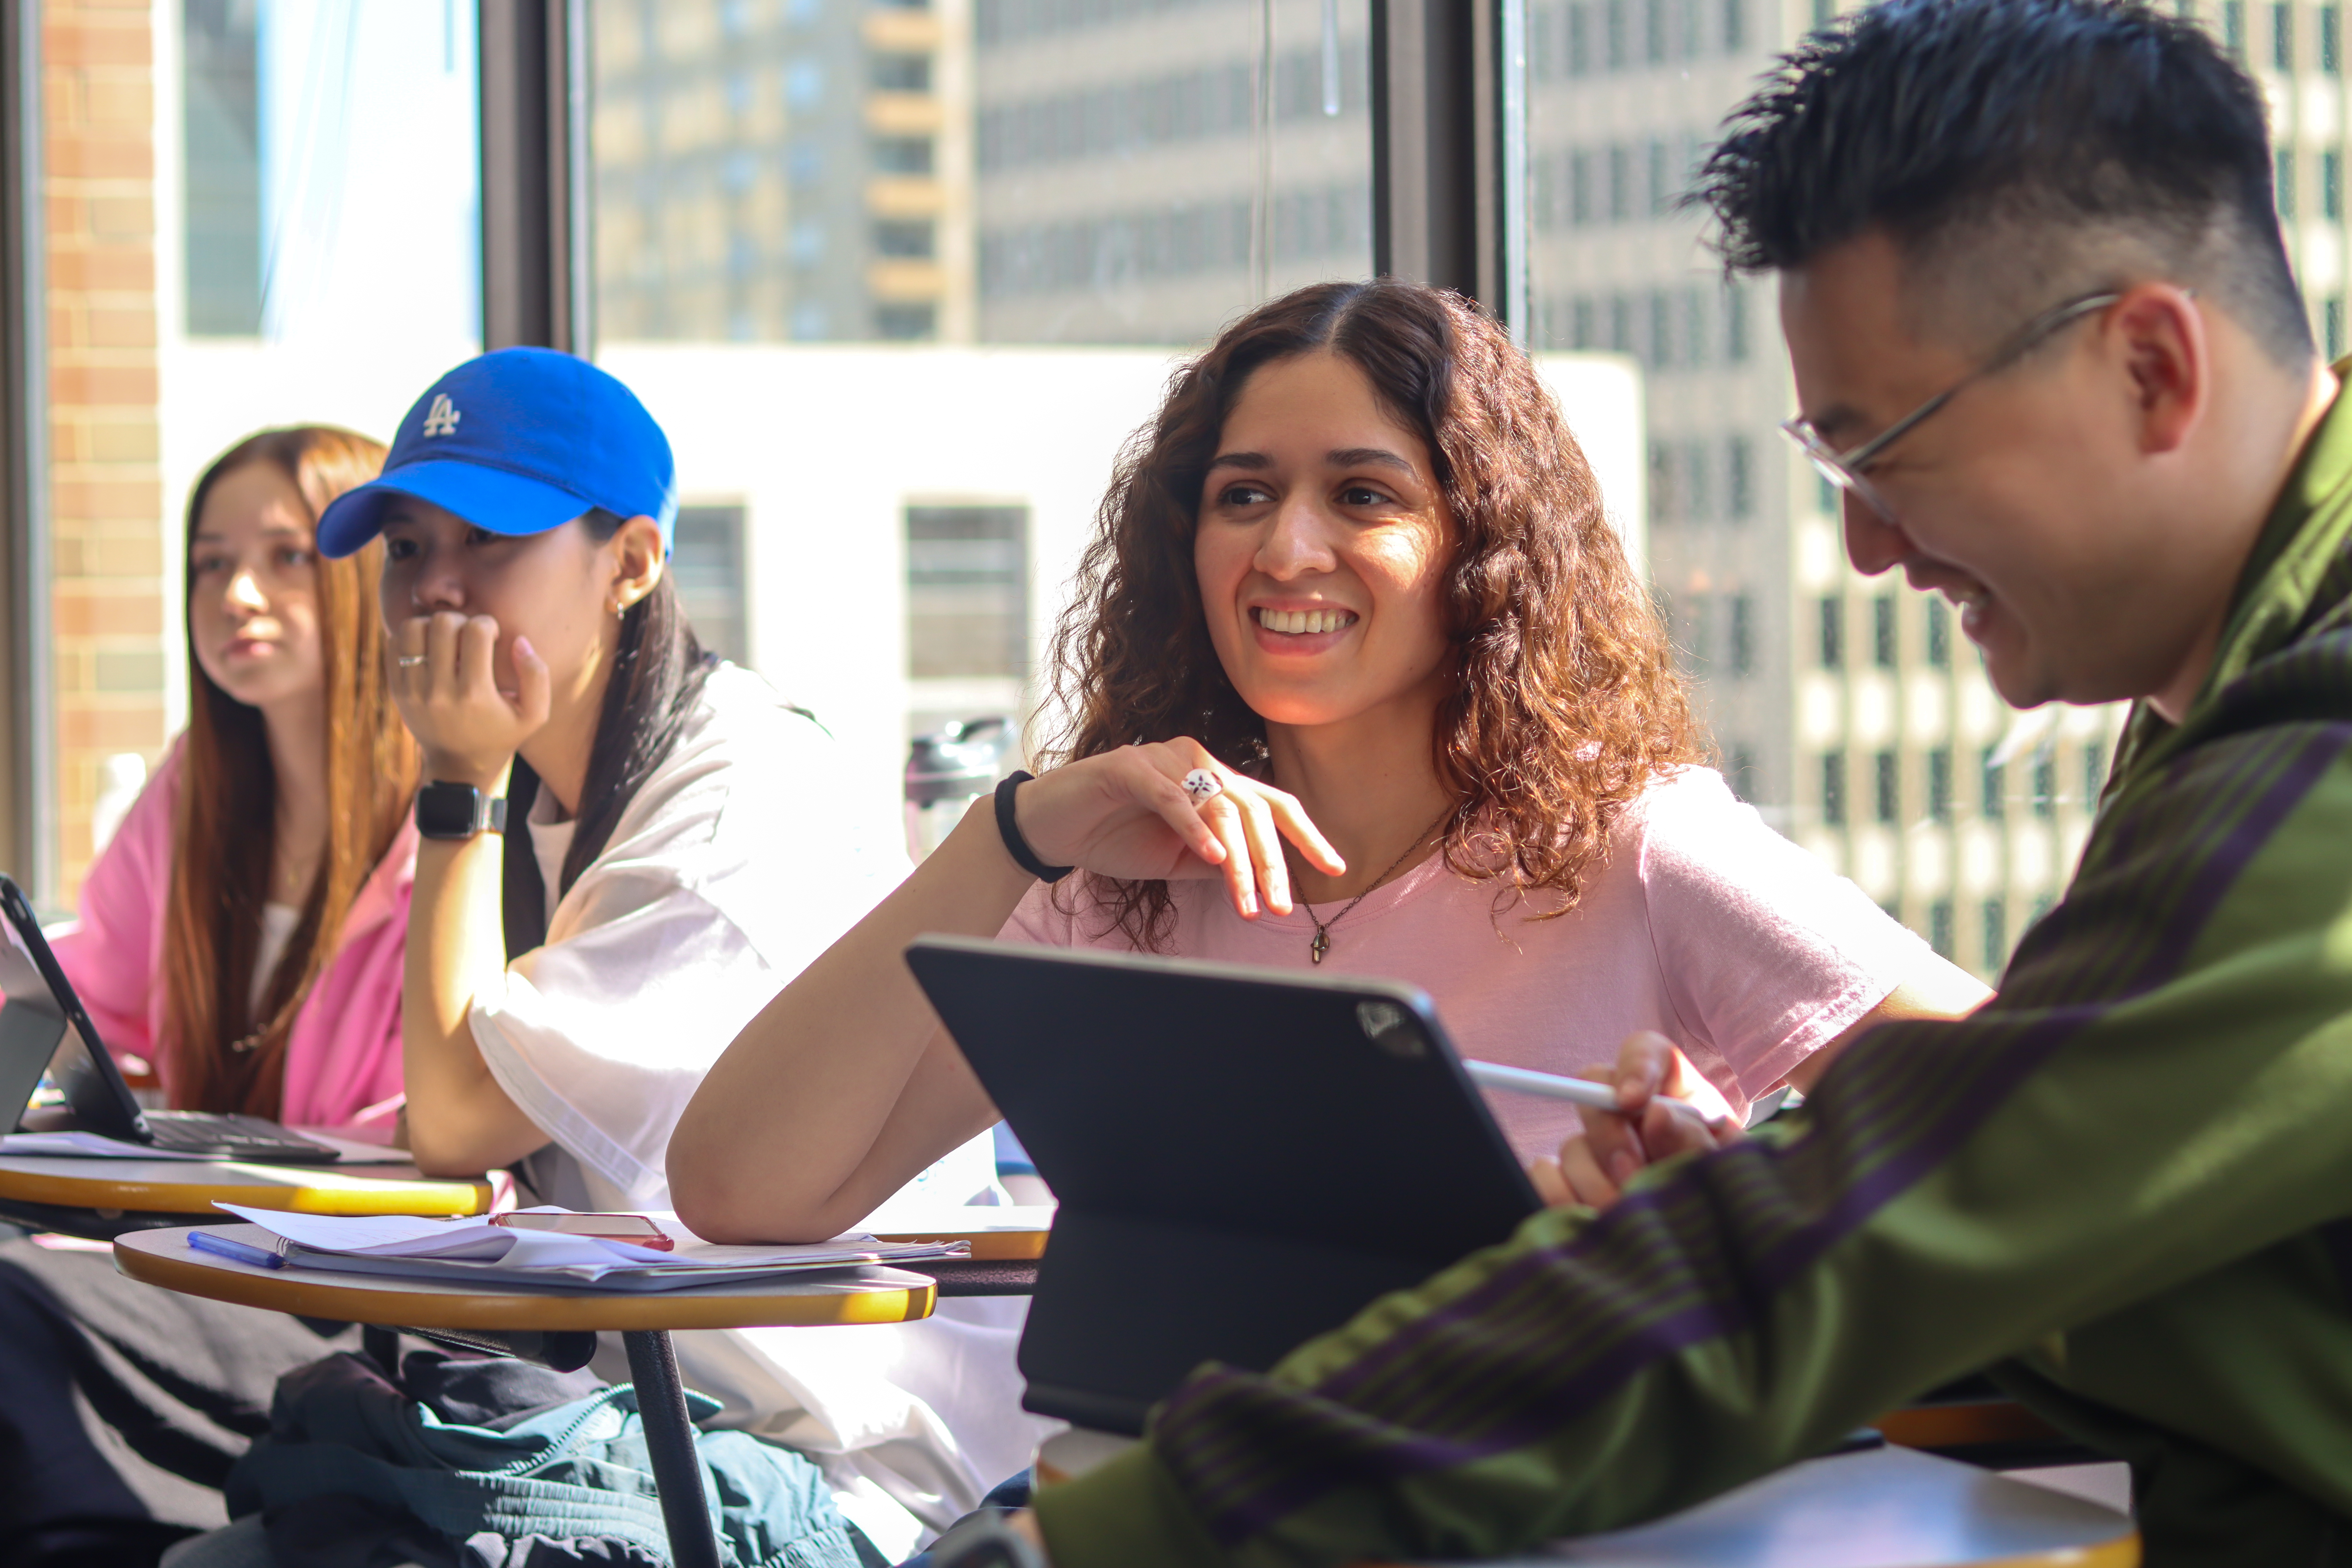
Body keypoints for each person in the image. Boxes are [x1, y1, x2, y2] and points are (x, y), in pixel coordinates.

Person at [907, 2, 2352, 1564]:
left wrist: (1107, 1544)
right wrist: (1751, 1206)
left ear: (2152, 366)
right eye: (1832, 462)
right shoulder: (2225, 704)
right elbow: (2128, 1249)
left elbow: (1929, 1207)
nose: (1870, 545)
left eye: (1896, 448)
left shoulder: (2312, 764)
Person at [667, 275, 1983, 1248]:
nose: (1287, 548)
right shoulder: (1123, 882)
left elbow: (2016, 1112)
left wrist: (1732, 1208)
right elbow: (741, 1192)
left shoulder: (1635, 843)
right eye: (1244, 493)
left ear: (1483, 547)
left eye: (1364, 495)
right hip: (1164, 1497)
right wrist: (1007, 833)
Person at [305, 346, 1044, 1559]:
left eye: (489, 539)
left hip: (831, 1470)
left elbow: (453, 1118)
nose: (437, 591)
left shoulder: (727, 805)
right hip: (648, 1417)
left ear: (633, 563)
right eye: (407, 551)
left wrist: (460, 780)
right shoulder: (586, 785)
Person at [0, 427, 417, 1568]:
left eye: (287, 558)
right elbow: (88, 1016)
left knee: (11, 1308)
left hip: (362, 1298)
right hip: (200, 1255)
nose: (236, 592)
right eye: (209, 562)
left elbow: (429, 1147)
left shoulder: (453, 824)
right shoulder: (197, 792)